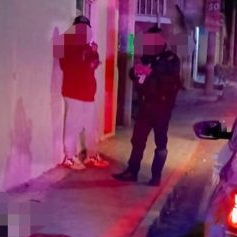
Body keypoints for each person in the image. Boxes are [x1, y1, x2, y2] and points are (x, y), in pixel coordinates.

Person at [113, 25, 182, 186]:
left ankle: (156, 176)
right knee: (137, 140)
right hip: (146, 105)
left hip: (162, 107)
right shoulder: (147, 57)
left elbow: (172, 78)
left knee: (160, 142)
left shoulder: (171, 59)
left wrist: (152, 72)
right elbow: (135, 74)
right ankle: (132, 171)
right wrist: (136, 72)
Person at [55, 15, 107, 170]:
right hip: (74, 92)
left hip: (88, 93)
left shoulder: (86, 46)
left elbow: (92, 64)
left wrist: (93, 53)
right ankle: (70, 157)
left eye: (86, 30)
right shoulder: (65, 42)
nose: (84, 32)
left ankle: (92, 155)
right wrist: (84, 55)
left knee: (92, 127)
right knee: (73, 126)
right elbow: (66, 65)